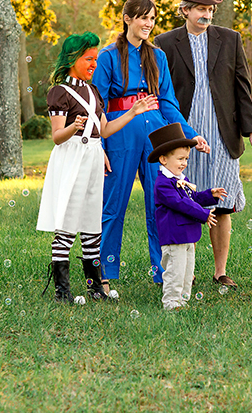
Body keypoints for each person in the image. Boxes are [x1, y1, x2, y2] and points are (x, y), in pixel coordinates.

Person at [92, 0, 209, 291]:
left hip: (155, 132)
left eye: (152, 18)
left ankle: (165, 272)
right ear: (127, 18)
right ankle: (103, 273)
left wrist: (190, 134)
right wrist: (101, 147)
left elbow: (167, 102)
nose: (148, 23)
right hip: (121, 131)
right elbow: (99, 105)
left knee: (161, 203)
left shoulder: (157, 56)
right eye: (143, 17)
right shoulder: (107, 57)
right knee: (113, 205)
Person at [154, 0, 252, 289]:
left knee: (222, 201)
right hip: (183, 135)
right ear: (185, 10)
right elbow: (162, 92)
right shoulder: (165, 43)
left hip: (222, 134)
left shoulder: (230, 39)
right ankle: (185, 268)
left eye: (210, 9)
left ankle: (219, 271)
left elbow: (242, 88)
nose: (207, 14)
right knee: (185, 200)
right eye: (201, 9)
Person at [36, 32, 157, 303]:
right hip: (71, 158)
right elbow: (57, 137)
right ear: (72, 60)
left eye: (95, 59)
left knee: (92, 222)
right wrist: (72, 128)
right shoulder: (59, 92)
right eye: (88, 59)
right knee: (67, 223)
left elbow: (104, 129)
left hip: (92, 156)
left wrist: (132, 112)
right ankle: (62, 291)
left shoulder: (92, 91)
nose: (94, 64)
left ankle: (94, 287)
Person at [148, 123, 227, 310]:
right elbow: (181, 204)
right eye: (180, 159)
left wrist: (210, 195)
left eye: (186, 159)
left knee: (186, 271)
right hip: (174, 237)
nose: (184, 163)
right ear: (163, 159)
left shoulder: (181, 180)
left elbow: (193, 198)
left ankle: (183, 301)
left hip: (188, 236)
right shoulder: (163, 184)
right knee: (175, 272)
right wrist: (204, 215)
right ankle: (171, 303)